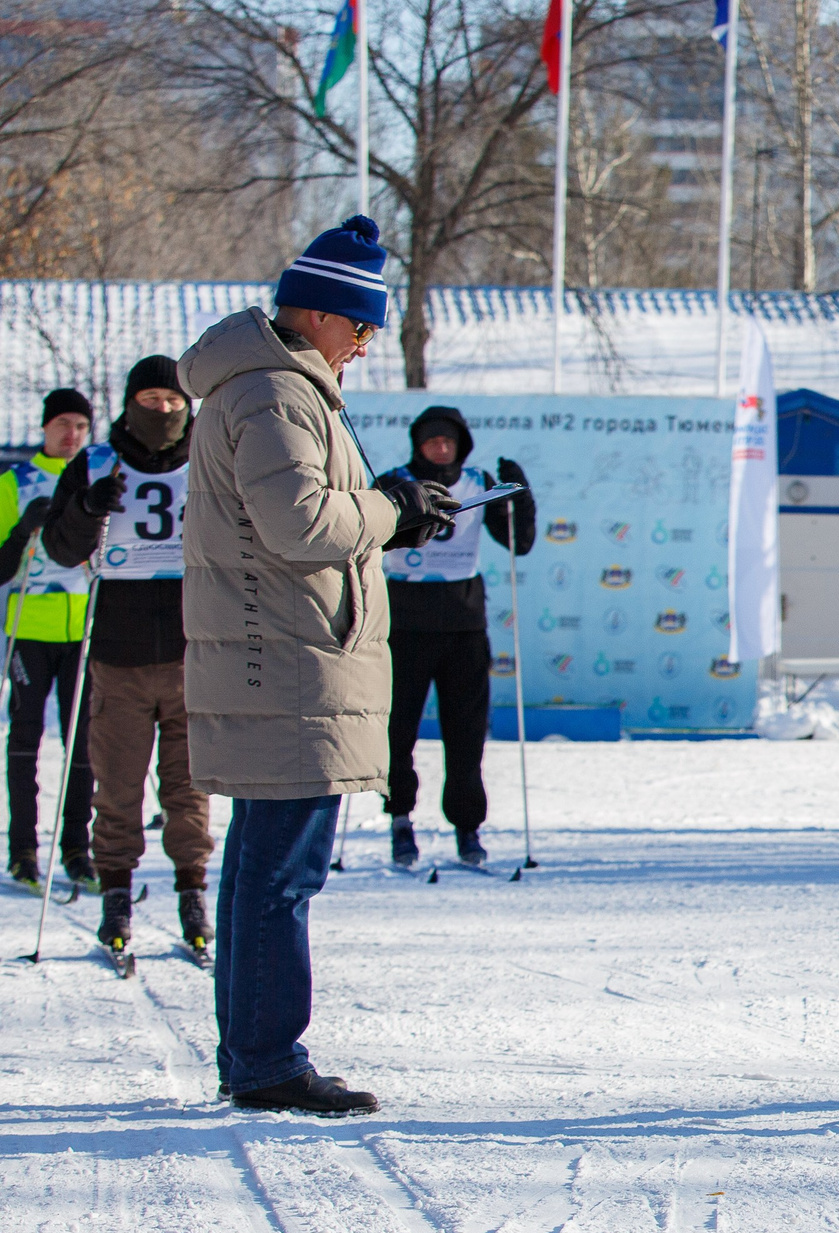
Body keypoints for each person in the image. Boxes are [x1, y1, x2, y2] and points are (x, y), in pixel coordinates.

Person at [180, 213, 459, 1114]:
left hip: (280, 658)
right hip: (288, 664)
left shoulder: (272, 386)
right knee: (280, 875)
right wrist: (391, 509)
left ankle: (252, 1054)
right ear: (319, 313)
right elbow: (302, 524)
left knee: (261, 868)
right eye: (362, 326)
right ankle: (265, 1062)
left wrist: (388, 513)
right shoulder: (273, 393)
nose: (365, 346)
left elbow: (304, 518)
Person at [37, 357, 211, 959]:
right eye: (151, 399)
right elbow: (59, 549)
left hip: (192, 654)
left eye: (173, 400)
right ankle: (115, 894)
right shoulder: (95, 463)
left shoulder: (210, 457)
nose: (163, 409)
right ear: (131, 402)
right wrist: (86, 509)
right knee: (117, 787)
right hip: (118, 655)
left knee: (189, 790)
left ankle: (193, 891)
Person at [375, 406, 537, 869]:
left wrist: (519, 496)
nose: (441, 449)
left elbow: (519, 541)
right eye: (432, 442)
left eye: (449, 441)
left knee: (466, 734)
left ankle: (467, 826)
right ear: (418, 445)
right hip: (405, 623)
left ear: (461, 445)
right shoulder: (394, 481)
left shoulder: (478, 482)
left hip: (463, 624)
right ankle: (400, 818)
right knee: (397, 730)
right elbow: (367, 539)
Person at [2, 388, 95, 894]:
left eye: (80, 426)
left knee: (83, 741)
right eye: (62, 424)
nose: (71, 434)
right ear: (44, 427)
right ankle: (22, 851)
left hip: (85, 629)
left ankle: (78, 849)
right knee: (25, 738)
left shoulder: (97, 479)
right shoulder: (14, 482)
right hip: (29, 630)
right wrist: (22, 531)